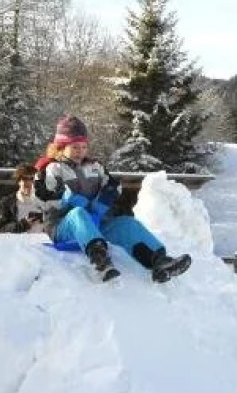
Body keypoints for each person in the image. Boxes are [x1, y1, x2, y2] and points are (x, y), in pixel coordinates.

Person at [36, 115, 192, 284]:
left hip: (96, 222)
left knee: (127, 224)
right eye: (74, 147)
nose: (80, 151)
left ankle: (158, 262)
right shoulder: (52, 168)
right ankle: (101, 262)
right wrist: (65, 200)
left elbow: (113, 187)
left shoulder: (95, 167)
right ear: (61, 147)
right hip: (63, 225)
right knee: (78, 214)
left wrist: (102, 203)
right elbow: (41, 198)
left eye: (83, 147)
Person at [0, 163, 50, 235]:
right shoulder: (8, 202)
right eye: (25, 179)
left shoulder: (45, 200)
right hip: (19, 244)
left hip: (41, 243)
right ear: (18, 181)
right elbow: (0, 229)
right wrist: (23, 224)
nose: (29, 182)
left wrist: (46, 219)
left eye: (32, 179)